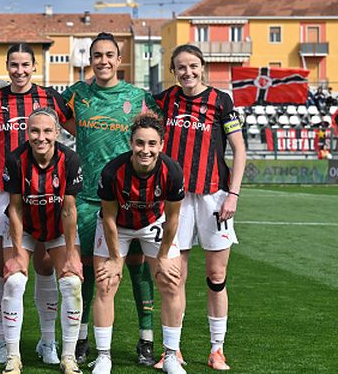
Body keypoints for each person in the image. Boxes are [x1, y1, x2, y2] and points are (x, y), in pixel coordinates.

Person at [61, 32, 163, 365]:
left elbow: (156, 135)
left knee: (136, 269)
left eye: (109, 55)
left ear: (119, 60)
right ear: (90, 60)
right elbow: (58, 121)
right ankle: (82, 337)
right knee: (90, 271)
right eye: (97, 55)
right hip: (88, 198)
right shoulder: (77, 94)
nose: (103, 61)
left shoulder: (137, 97)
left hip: (129, 201)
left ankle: (146, 339)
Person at [0, 43, 76, 365]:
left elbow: (76, 128)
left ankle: (48, 342)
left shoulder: (50, 99)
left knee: (45, 265)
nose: (19, 71)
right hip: (7, 191)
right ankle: (4, 343)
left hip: (48, 189)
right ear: (7, 67)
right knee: (6, 268)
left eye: (25, 65)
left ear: (35, 67)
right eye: (13, 65)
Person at [153, 44, 246, 371]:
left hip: (214, 197)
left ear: (202, 67)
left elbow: (239, 150)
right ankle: (171, 350)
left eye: (193, 66)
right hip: (175, 199)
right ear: (174, 71)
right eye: (181, 67)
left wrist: (232, 195)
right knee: (174, 277)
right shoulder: (165, 100)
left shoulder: (222, 101)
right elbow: (143, 128)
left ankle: (216, 348)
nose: (187, 72)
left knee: (216, 275)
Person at [91, 112, 186, 374]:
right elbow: (109, 219)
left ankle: (170, 356)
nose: (146, 150)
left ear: (161, 145)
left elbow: (173, 218)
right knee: (106, 282)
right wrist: (113, 258)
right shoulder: (113, 171)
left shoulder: (172, 171)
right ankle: (103, 356)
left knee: (170, 282)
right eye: (140, 143)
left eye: (152, 144)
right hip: (118, 225)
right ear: (131, 143)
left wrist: (164, 256)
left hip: (153, 223)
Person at [0, 108, 84, 374]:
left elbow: (70, 210)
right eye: (35, 131)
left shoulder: (70, 159)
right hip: (25, 227)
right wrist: (15, 253)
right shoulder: (15, 159)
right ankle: (13, 356)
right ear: (27, 133)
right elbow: (14, 209)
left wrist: (71, 254)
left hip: (58, 228)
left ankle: (67, 356)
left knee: (71, 282)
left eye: (47, 131)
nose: (41, 137)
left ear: (57, 132)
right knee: (14, 281)